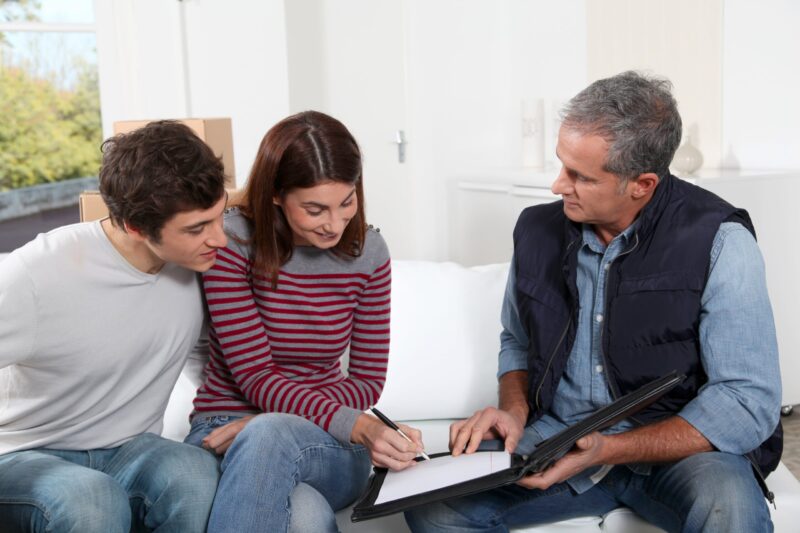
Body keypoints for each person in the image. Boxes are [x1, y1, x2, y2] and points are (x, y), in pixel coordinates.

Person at [405, 71, 782, 533]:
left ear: (641, 184)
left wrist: (611, 448)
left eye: (580, 176)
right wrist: (514, 411)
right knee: (434, 507)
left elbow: (746, 401)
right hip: (555, 442)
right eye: (562, 165)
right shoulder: (536, 232)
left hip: (680, 453)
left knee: (732, 508)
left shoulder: (721, 241)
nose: (557, 185)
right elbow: (517, 341)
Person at [185, 110, 424, 532]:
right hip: (224, 428)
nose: (335, 223)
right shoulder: (232, 242)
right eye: (315, 209)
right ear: (276, 194)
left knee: (271, 434)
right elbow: (256, 376)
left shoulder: (369, 252)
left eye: (346, 202)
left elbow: (367, 382)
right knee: (307, 518)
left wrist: (269, 421)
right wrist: (274, 421)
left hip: (326, 440)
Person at [0, 121, 227, 531]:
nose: (221, 240)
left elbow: (209, 367)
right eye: (198, 228)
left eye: (218, 217)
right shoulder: (36, 272)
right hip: (22, 453)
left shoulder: (199, 267)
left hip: (128, 450)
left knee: (194, 475)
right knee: (90, 498)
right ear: (135, 227)